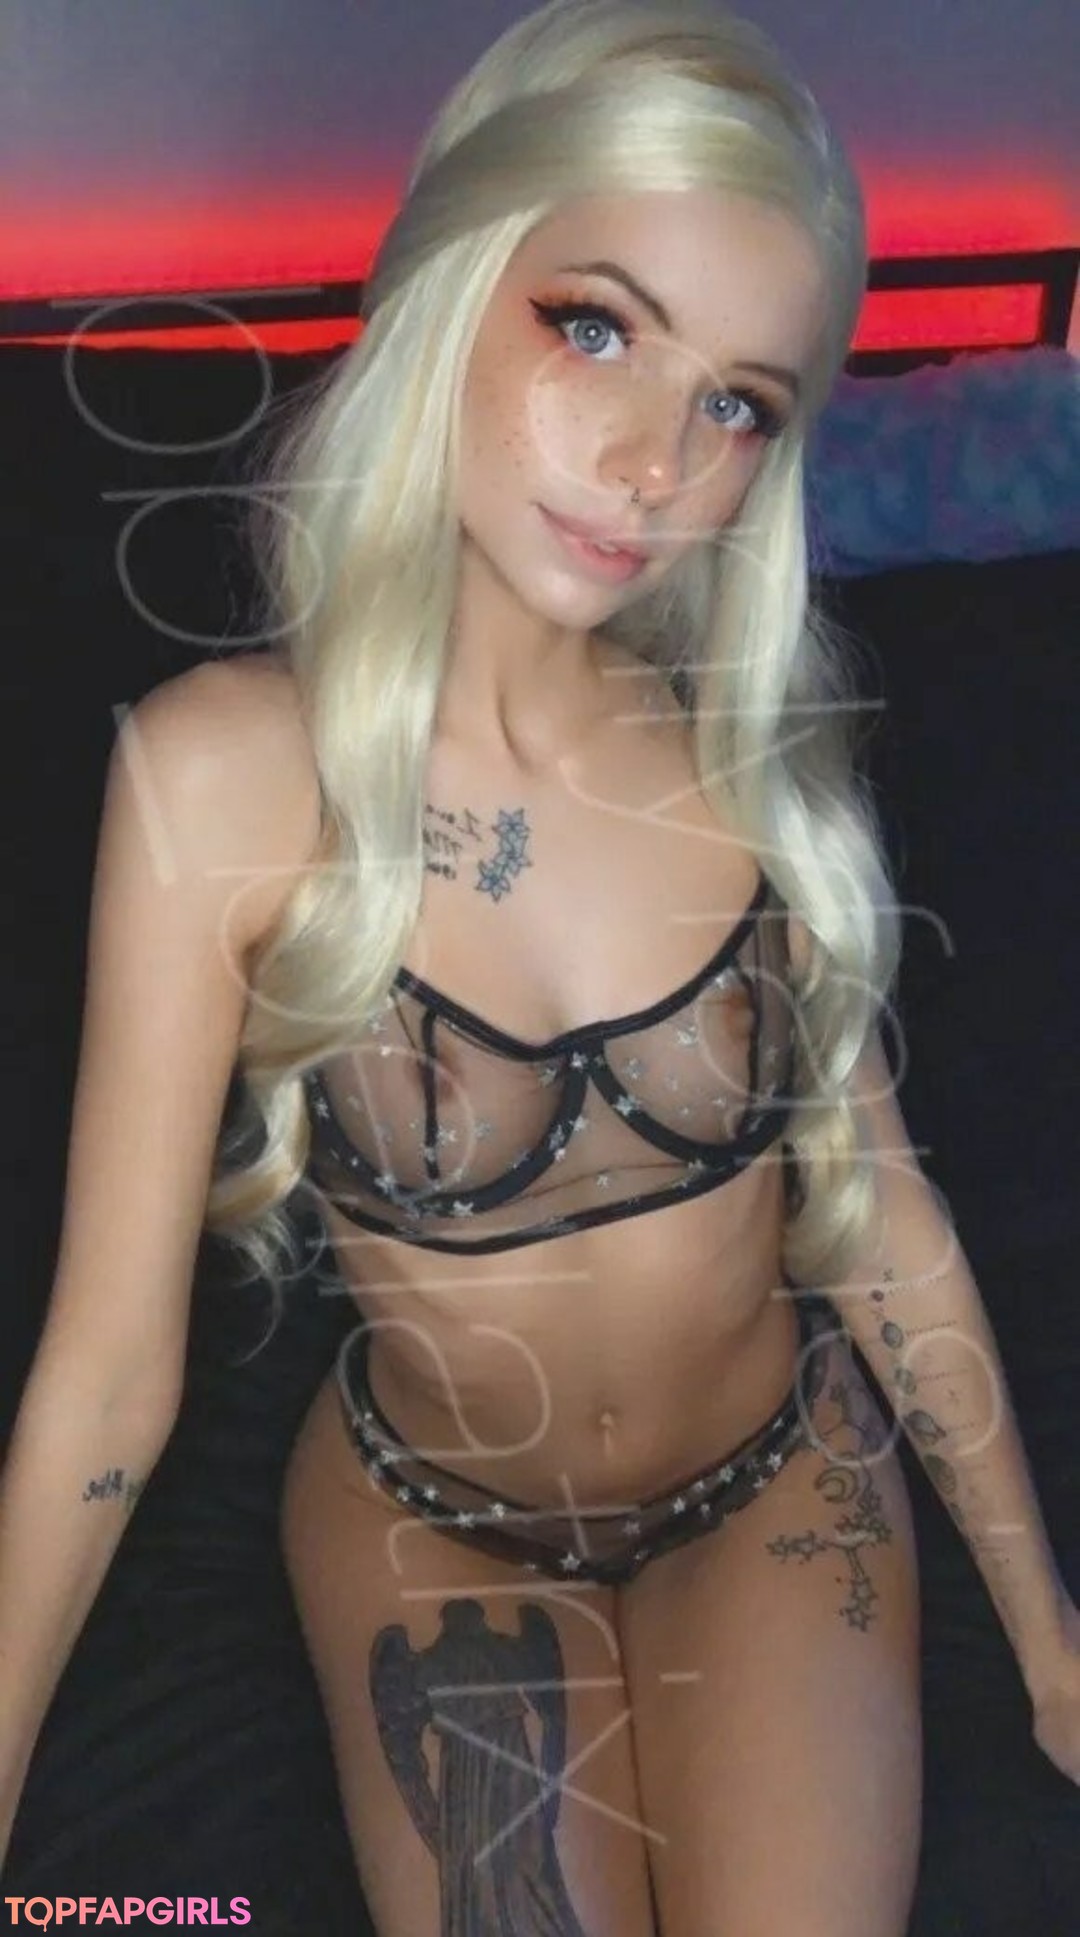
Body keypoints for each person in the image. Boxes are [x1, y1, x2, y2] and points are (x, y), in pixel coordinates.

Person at [1, 1, 1077, 1930]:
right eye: (597, 328)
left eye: (739, 403)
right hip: (436, 1525)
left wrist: (1052, 1635)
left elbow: (883, 1218)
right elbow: (105, 1377)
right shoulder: (222, 776)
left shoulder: (743, 757)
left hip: (777, 1489)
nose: (656, 461)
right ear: (453, 278)